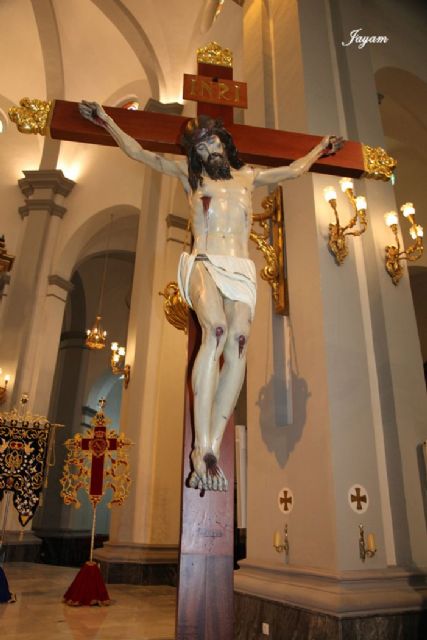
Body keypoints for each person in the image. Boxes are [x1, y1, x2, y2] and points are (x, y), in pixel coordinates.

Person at [79, 102, 343, 492]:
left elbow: (293, 170)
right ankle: (199, 444)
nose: (209, 151)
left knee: (239, 341)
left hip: (240, 268)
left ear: (224, 143)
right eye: (201, 148)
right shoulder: (191, 178)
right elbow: (140, 153)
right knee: (216, 330)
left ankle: (210, 448)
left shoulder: (248, 177)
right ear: (195, 155)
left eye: (213, 143)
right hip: (204, 261)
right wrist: (107, 121)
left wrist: (320, 149)